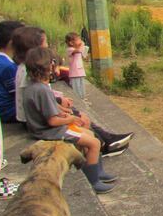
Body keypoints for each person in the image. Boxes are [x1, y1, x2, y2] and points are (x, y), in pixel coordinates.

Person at [12, 26, 132, 156]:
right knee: (80, 118)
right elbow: (40, 100)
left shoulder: (26, 68)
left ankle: (105, 139)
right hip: (37, 122)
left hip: (36, 116)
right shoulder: (30, 74)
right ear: (36, 47)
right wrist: (66, 113)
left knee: (77, 114)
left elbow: (38, 97)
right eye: (45, 42)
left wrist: (58, 102)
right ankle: (101, 145)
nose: (47, 45)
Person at [22, 46, 116, 194]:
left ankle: (96, 169)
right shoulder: (42, 90)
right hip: (49, 132)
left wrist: (65, 112)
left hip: (45, 128)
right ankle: (94, 181)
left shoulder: (33, 86)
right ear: (49, 66)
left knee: (90, 135)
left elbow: (49, 108)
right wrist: (71, 118)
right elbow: (52, 121)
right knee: (94, 142)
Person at [65, 31, 88, 100]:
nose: (80, 41)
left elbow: (84, 56)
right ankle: (78, 101)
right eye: (78, 40)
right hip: (74, 73)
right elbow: (77, 51)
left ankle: (83, 99)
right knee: (76, 89)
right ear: (71, 43)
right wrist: (82, 44)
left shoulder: (78, 49)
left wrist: (85, 51)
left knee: (82, 87)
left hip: (80, 71)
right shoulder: (70, 49)